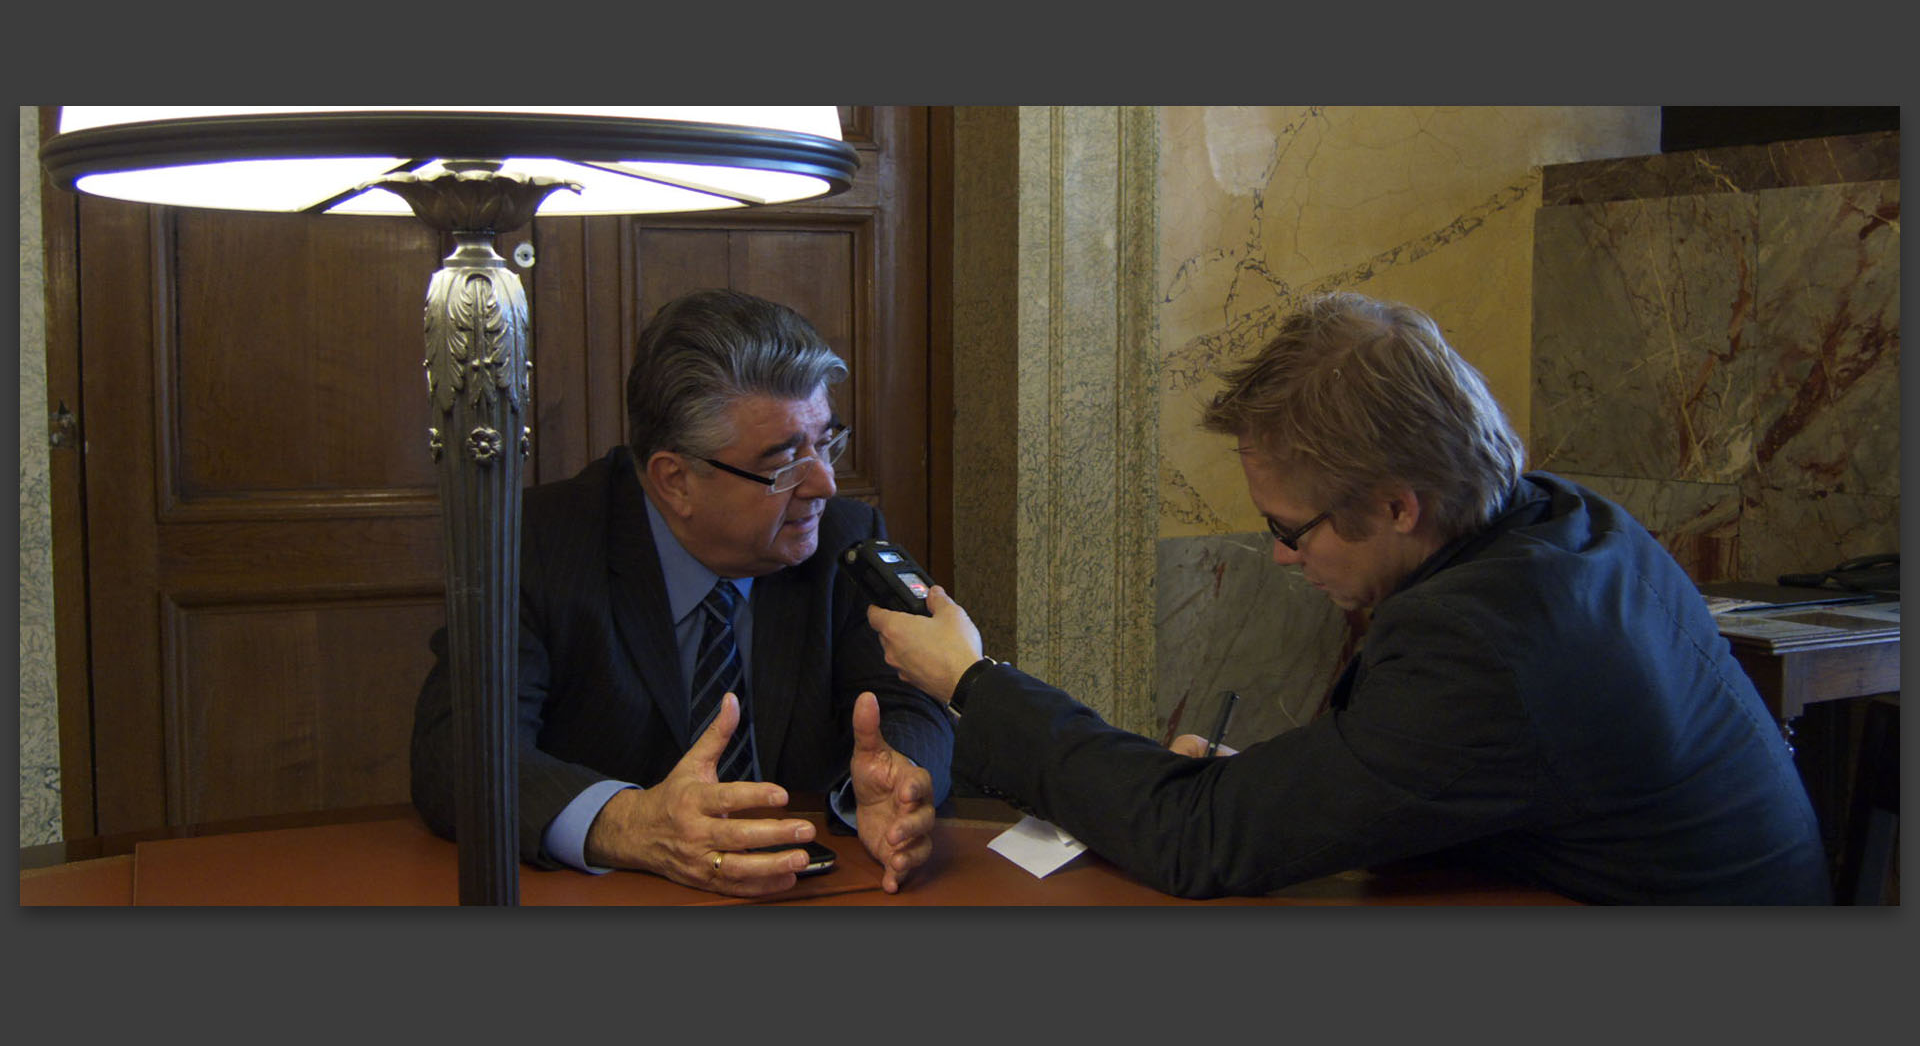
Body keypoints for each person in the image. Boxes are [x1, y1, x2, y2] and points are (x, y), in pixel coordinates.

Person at [868, 291, 1830, 905]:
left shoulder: (1494, 641)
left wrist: (972, 678)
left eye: (1291, 529)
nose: (1282, 560)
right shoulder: (1565, 522)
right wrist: (1305, 783)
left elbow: (1197, 840)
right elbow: (1474, 769)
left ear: (1400, 504)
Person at [411, 289, 954, 896]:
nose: (824, 483)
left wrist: (895, 787)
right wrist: (628, 825)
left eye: (826, 442)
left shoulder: (845, 541)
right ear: (675, 481)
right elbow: (457, 751)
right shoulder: (536, 544)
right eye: (784, 463)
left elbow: (910, 704)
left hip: (812, 895)